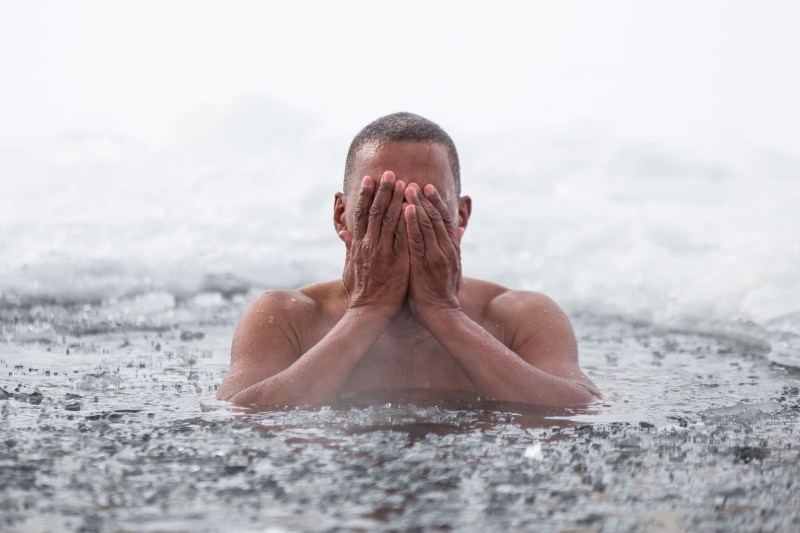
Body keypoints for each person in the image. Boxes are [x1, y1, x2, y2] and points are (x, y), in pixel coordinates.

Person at [217, 112, 600, 407]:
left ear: (460, 217)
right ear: (340, 215)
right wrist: (367, 310)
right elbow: (238, 417)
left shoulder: (519, 315)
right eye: (381, 202)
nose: (403, 217)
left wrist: (445, 313)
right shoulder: (286, 316)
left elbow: (581, 410)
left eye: (426, 202)